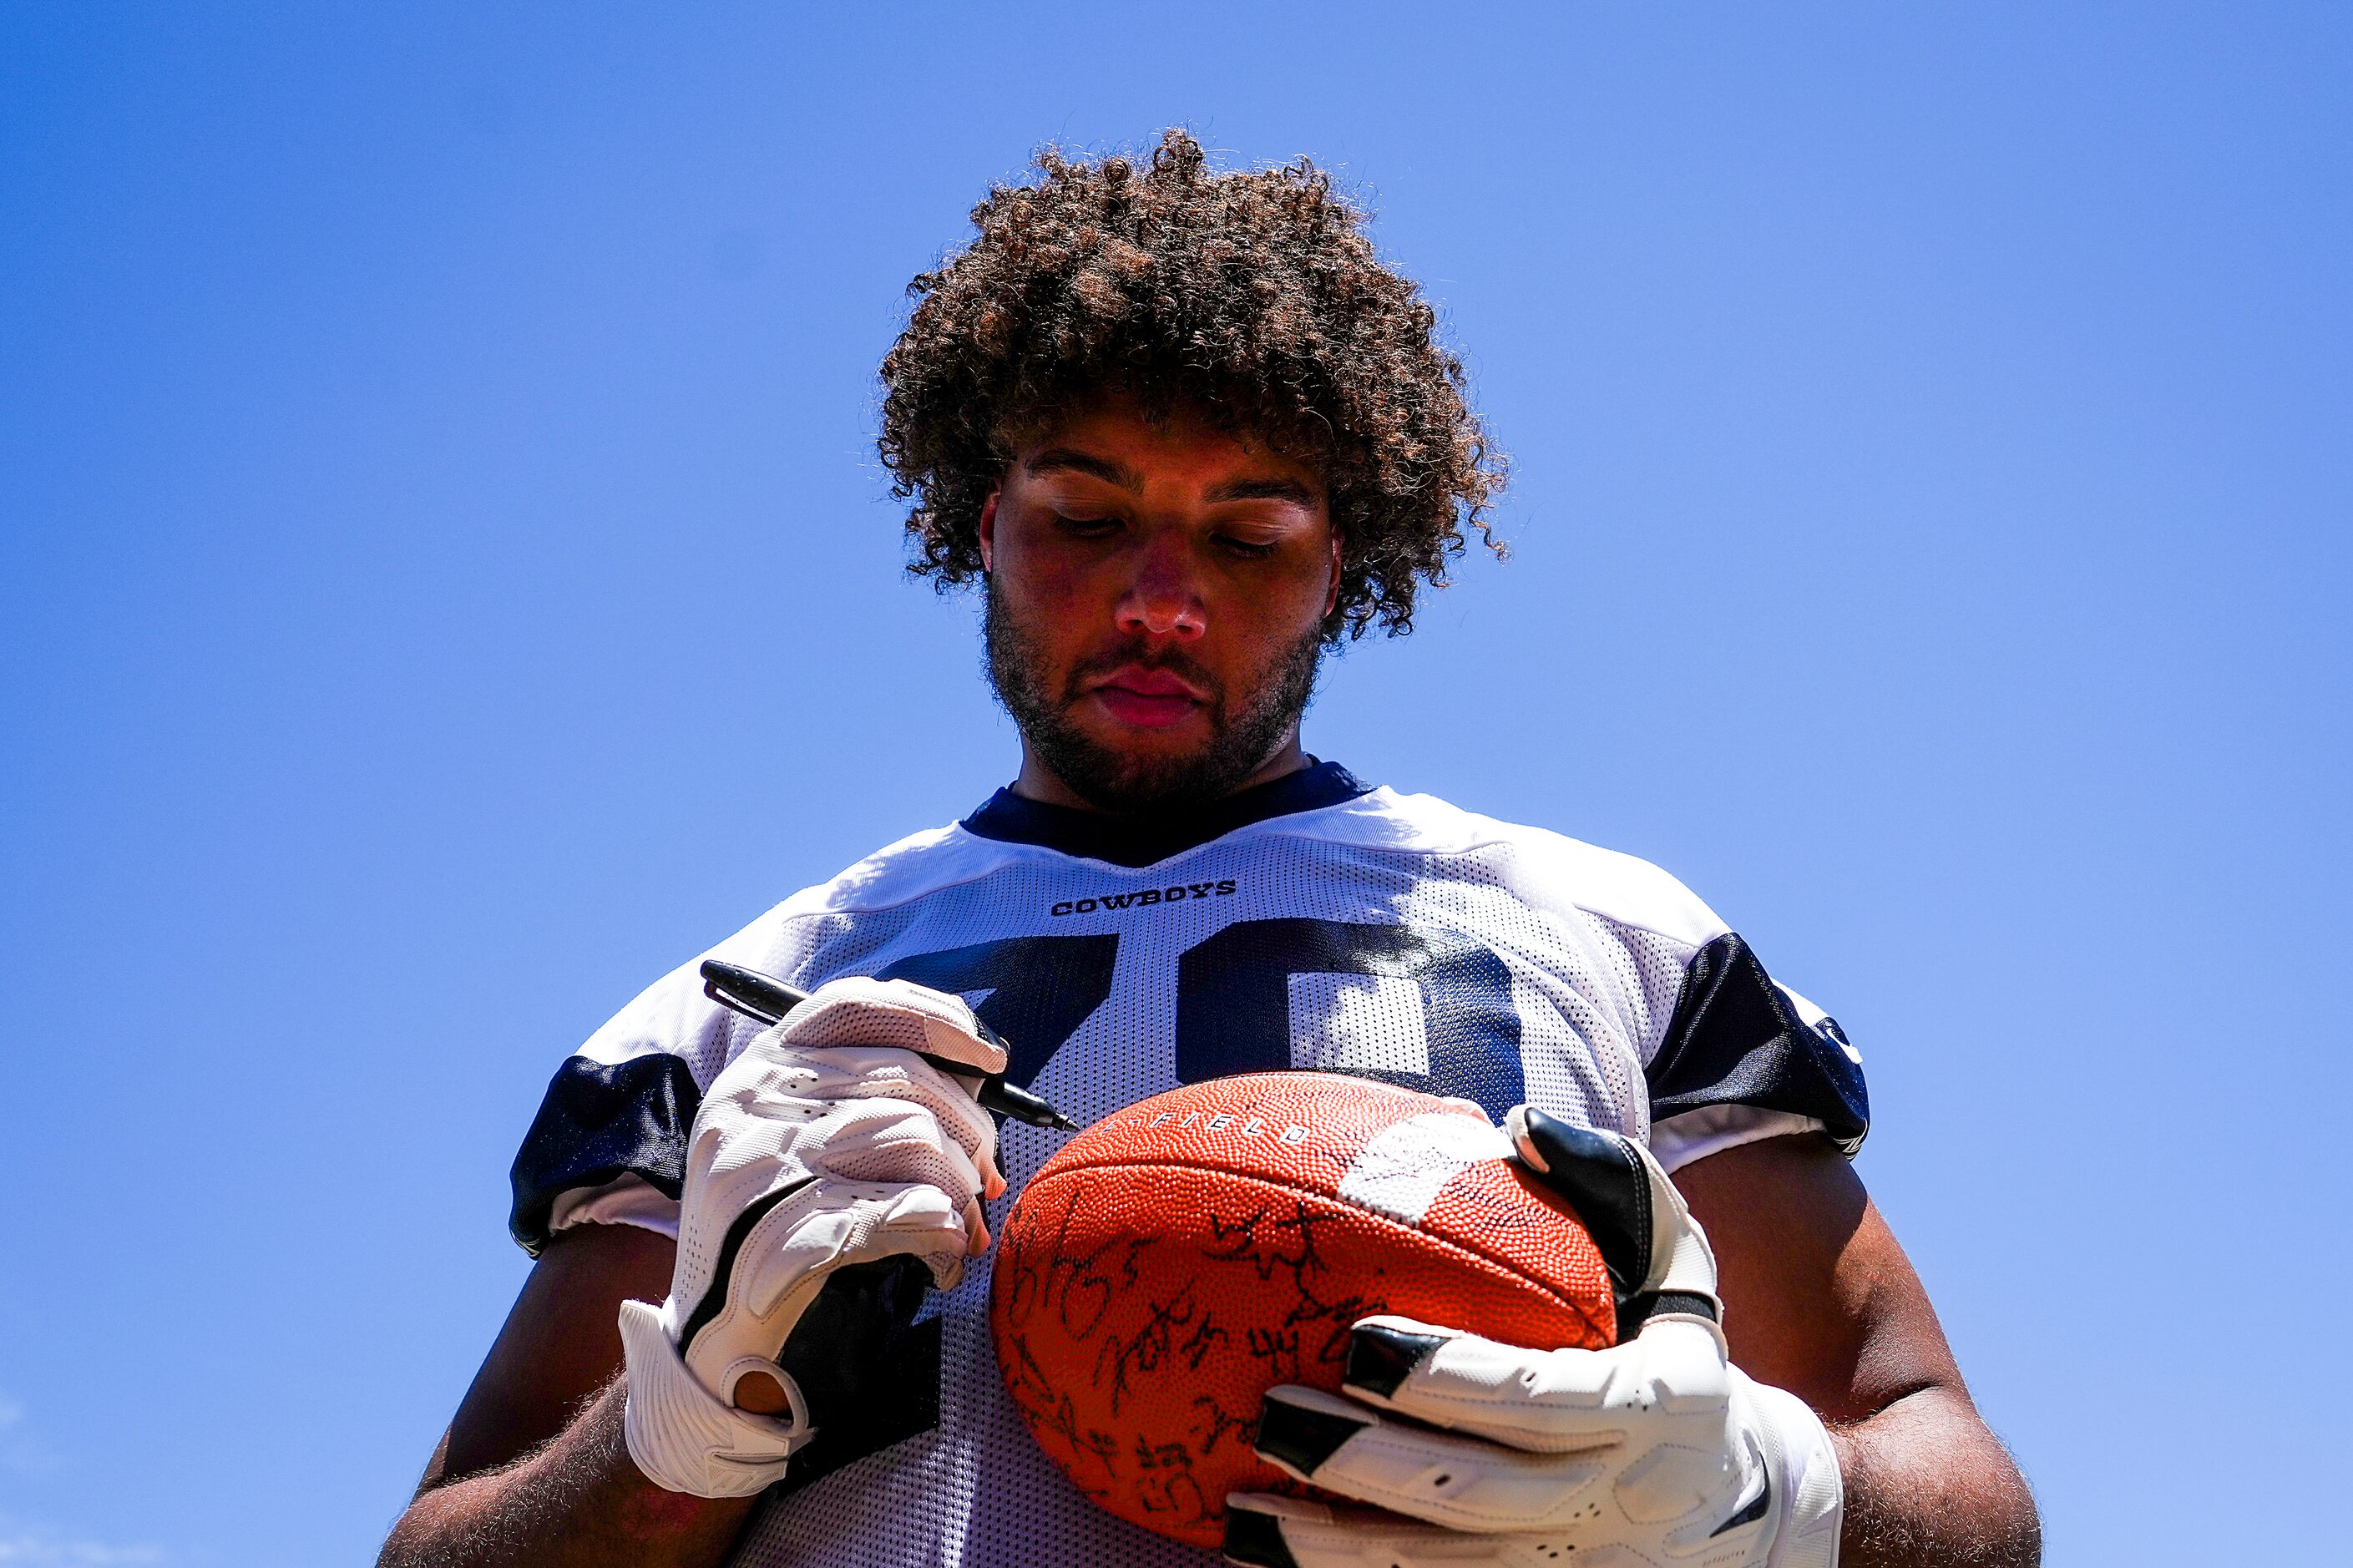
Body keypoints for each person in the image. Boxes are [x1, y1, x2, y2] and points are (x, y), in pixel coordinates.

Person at [377, 130, 2039, 1568]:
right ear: (984, 524)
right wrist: (678, 1422)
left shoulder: (1604, 935)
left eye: (1247, 535)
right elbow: (449, 1537)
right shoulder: (745, 1002)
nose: (1160, 600)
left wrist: (1754, 1494)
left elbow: (1960, 1499)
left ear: (1345, 567)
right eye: (1086, 519)